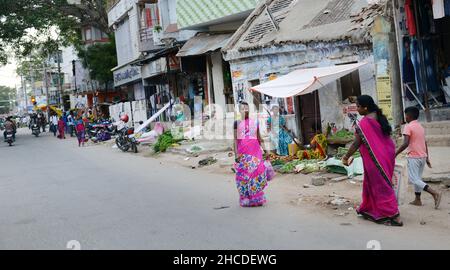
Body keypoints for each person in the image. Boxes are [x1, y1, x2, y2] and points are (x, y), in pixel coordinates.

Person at [342, 95, 403, 226]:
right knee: (372, 184)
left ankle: (394, 215)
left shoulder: (364, 123)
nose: (357, 109)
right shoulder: (379, 117)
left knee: (382, 186)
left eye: (358, 106)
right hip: (386, 156)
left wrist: (346, 157)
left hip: (375, 160)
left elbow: (355, 144)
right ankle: (369, 209)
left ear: (365, 107)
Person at [395, 107, 442, 208]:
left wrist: (395, 153)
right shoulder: (420, 126)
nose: (405, 117)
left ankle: (434, 193)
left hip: (414, 157)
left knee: (413, 179)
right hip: (422, 157)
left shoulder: (408, 127)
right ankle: (418, 199)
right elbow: (424, 142)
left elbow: (405, 143)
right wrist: (427, 157)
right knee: (418, 178)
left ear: (409, 116)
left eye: (406, 115)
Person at [233, 102, 269, 207]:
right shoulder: (237, 123)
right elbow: (235, 140)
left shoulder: (255, 122)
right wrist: (236, 155)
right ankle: (246, 198)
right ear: (239, 111)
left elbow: (259, 138)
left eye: (247, 108)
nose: (245, 110)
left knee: (257, 173)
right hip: (243, 153)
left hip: (255, 152)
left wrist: (266, 151)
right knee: (244, 177)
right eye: (243, 108)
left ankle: (256, 198)